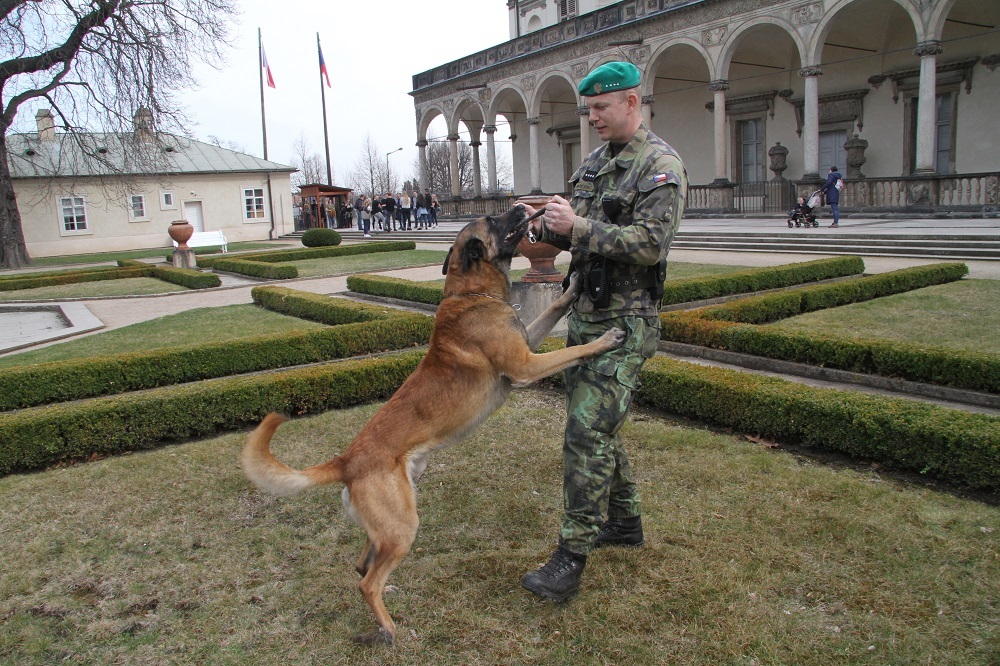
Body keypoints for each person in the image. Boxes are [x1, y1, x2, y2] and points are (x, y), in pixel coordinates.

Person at [520, 61, 687, 603]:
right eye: (588, 108)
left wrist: (580, 226)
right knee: (598, 426)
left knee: (585, 432)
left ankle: (570, 557)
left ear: (631, 102)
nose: (592, 117)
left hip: (627, 322)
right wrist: (547, 227)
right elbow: (576, 237)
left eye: (600, 107)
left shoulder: (660, 166)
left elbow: (650, 244)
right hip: (587, 315)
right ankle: (625, 520)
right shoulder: (593, 164)